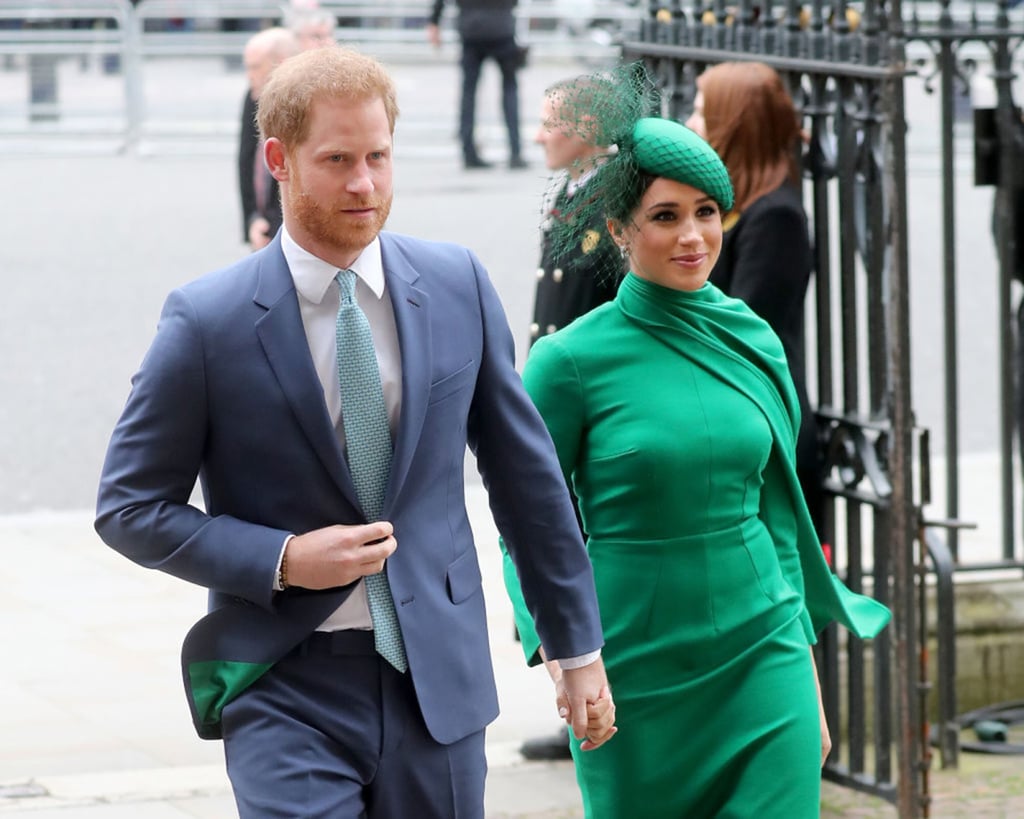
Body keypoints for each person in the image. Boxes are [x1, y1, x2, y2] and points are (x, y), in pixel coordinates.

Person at [96, 46, 616, 819]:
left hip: (435, 682)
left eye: (378, 155)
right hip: (284, 683)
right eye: (337, 159)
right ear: (279, 158)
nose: (364, 183)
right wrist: (279, 558)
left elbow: (526, 478)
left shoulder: (455, 284)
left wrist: (577, 650)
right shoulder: (206, 321)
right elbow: (128, 507)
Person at [502, 68, 890, 818]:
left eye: (708, 212)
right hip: (631, 665)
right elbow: (526, 522)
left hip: (763, 648)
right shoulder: (571, 361)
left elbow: (779, 516)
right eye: (666, 215)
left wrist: (805, 669)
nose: (693, 236)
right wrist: (561, 654)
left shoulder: (752, 339)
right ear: (619, 230)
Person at [518, 74, 625, 762]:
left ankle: (592, 698)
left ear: (588, 128)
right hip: (559, 389)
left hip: (590, 398)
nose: (539, 136)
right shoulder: (571, 190)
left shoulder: (608, 197)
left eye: (551, 123)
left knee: (578, 548)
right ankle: (577, 698)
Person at [686, 60, 826, 538]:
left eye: (703, 113)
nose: (691, 124)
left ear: (734, 124)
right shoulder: (732, 206)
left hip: (764, 425)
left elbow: (743, 328)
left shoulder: (776, 217)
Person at [426, 0, 527, 170]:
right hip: (501, 27)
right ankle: (515, 152)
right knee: (510, 89)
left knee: (468, 94)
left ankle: (468, 152)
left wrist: (435, 22)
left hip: (471, 29)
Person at [237, 26, 299, 252]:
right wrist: (252, 219)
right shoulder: (253, 96)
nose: (249, 75)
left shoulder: (305, 106)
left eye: (255, 67)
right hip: (262, 229)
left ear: (280, 63)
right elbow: (245, 162)